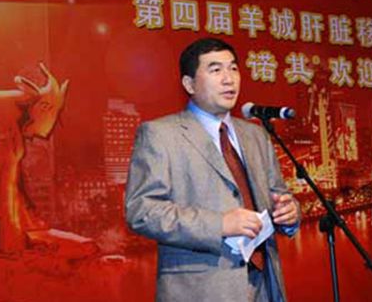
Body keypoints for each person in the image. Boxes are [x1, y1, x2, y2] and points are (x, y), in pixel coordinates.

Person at [125, 37, 300, 302]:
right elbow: (141, 210)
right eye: (216, 70)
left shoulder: (256, 135)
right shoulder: (160, 134)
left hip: (265, 286)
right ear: (189, 84)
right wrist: (219, 224)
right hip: (201, 290)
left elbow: (278, 193)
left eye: (233, 68)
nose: (229, 79)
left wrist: (290, 212)